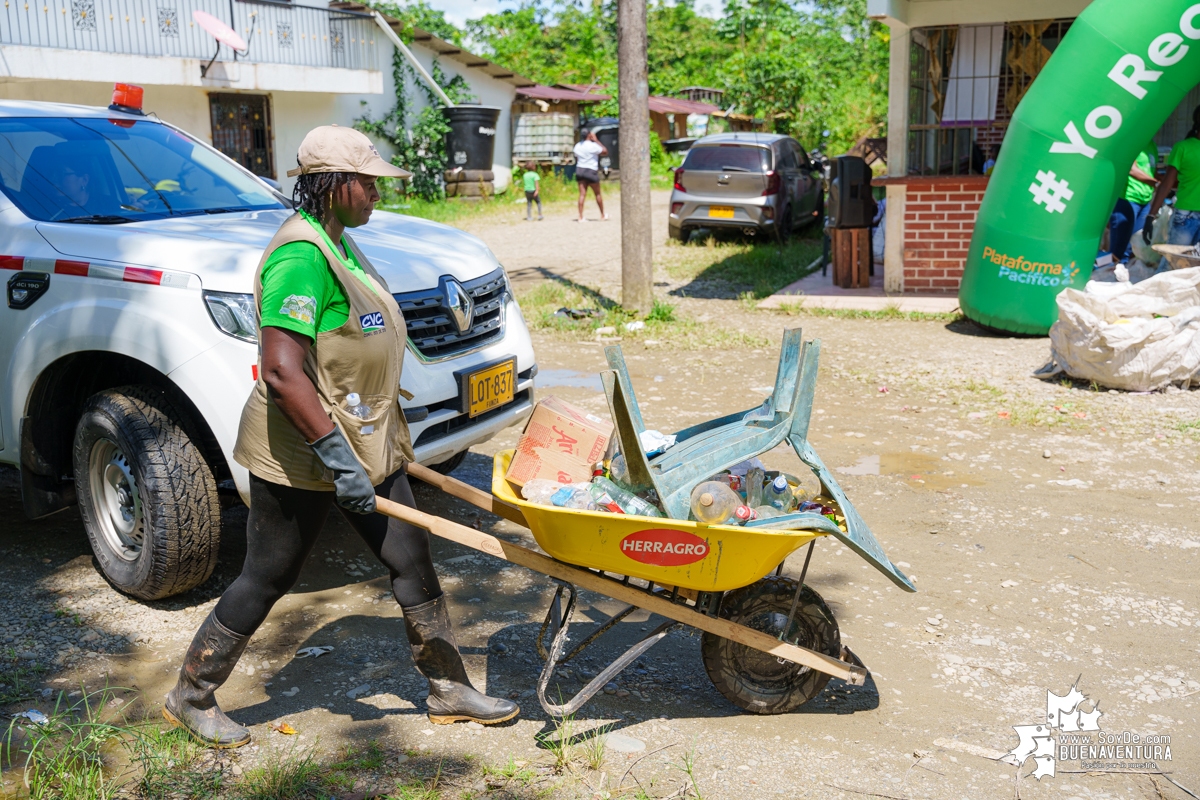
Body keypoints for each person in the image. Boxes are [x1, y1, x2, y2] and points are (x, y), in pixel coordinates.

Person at [163, 126, 519, 749]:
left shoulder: (341, 243)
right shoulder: (300, 256)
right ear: (333, 183)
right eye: (370, 180)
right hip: (303, 451)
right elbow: (280, 369)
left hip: (366, 439)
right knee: (269, 573)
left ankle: (447, 688)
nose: (378, 190)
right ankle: (190, 693)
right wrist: (336, 458)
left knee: (410, 556)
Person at [1145, 106, 1200, 248]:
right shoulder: (1183, 148)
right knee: (1174, 263)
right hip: (1186, 215)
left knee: (1194, 267)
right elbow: (1166, 184)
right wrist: (1151, 215)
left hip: (1185, 216)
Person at [1108, 143, 1157, 262]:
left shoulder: (1152, 146)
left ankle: (1124, 275)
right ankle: (1107, 276)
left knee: (1136, 246)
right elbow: (1131, 169)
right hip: (1127, 200)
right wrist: (1156, 183)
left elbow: (1151, 173)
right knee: (1118, 248)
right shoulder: (1134, 142)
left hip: (1144, 201)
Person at [573, 130, 608, 222]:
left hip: (580, 169)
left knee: (582, 194)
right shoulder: (593, 146)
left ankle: (580, 217)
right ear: (589, 135)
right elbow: (604, 151)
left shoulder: (577, 146)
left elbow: (576, 158)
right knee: (597, 194)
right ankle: (602, 215)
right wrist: (596, 140)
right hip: (591, 170)